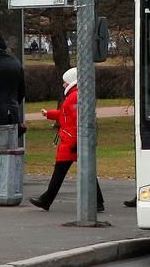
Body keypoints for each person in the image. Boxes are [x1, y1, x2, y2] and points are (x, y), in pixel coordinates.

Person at [30, 67, 105, 212]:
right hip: (74, 140)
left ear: (71, 81)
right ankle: (98, 202)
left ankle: (46, 200)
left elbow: (79, 119)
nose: (63, 84)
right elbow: (67, 114)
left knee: (59, 173)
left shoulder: (74, 96)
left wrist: (78, 141)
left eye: (65, 82)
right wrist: (49, 114)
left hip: (71, 141)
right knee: (87, 171)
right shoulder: (77, 95)